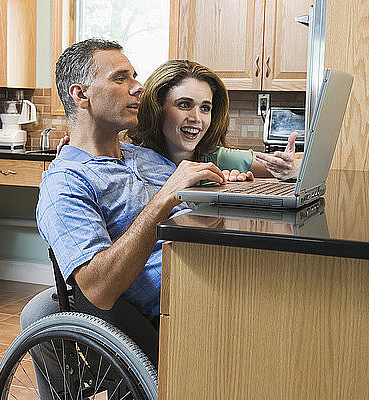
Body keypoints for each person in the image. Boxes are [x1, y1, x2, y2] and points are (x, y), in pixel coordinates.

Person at [20, 39, 226, 388]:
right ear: (80, 94)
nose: (138, 87)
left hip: (218, 277)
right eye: (120, 78)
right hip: (181, 312)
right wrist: (163, 200)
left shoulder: (145, 156)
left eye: (135, 76)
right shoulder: (66, 182)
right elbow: (98, 289)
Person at [127, 59, 301, 181]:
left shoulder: (217, 159)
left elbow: (297, 164)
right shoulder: (133, 161)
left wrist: (289, 169)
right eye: (184, 105)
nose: (197, 119)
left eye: (205, 108)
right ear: (157, 108)